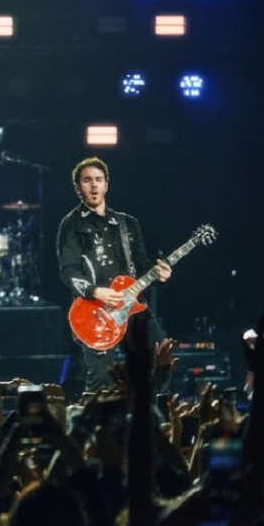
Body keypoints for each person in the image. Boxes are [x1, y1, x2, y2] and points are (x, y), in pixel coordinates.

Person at [56, 156, 171, 391]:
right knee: (101, 380)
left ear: (106, 185)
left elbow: (141, 264)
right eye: (87, 180)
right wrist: (95, 291)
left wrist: (159, 274)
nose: (94, 185)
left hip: (132, 306)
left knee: (163, 359)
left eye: (99, 180)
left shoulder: (128, 223)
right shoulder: (71, 224)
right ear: (78, 188)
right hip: (96, 311)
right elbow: (68, 271)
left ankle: (152, 411)